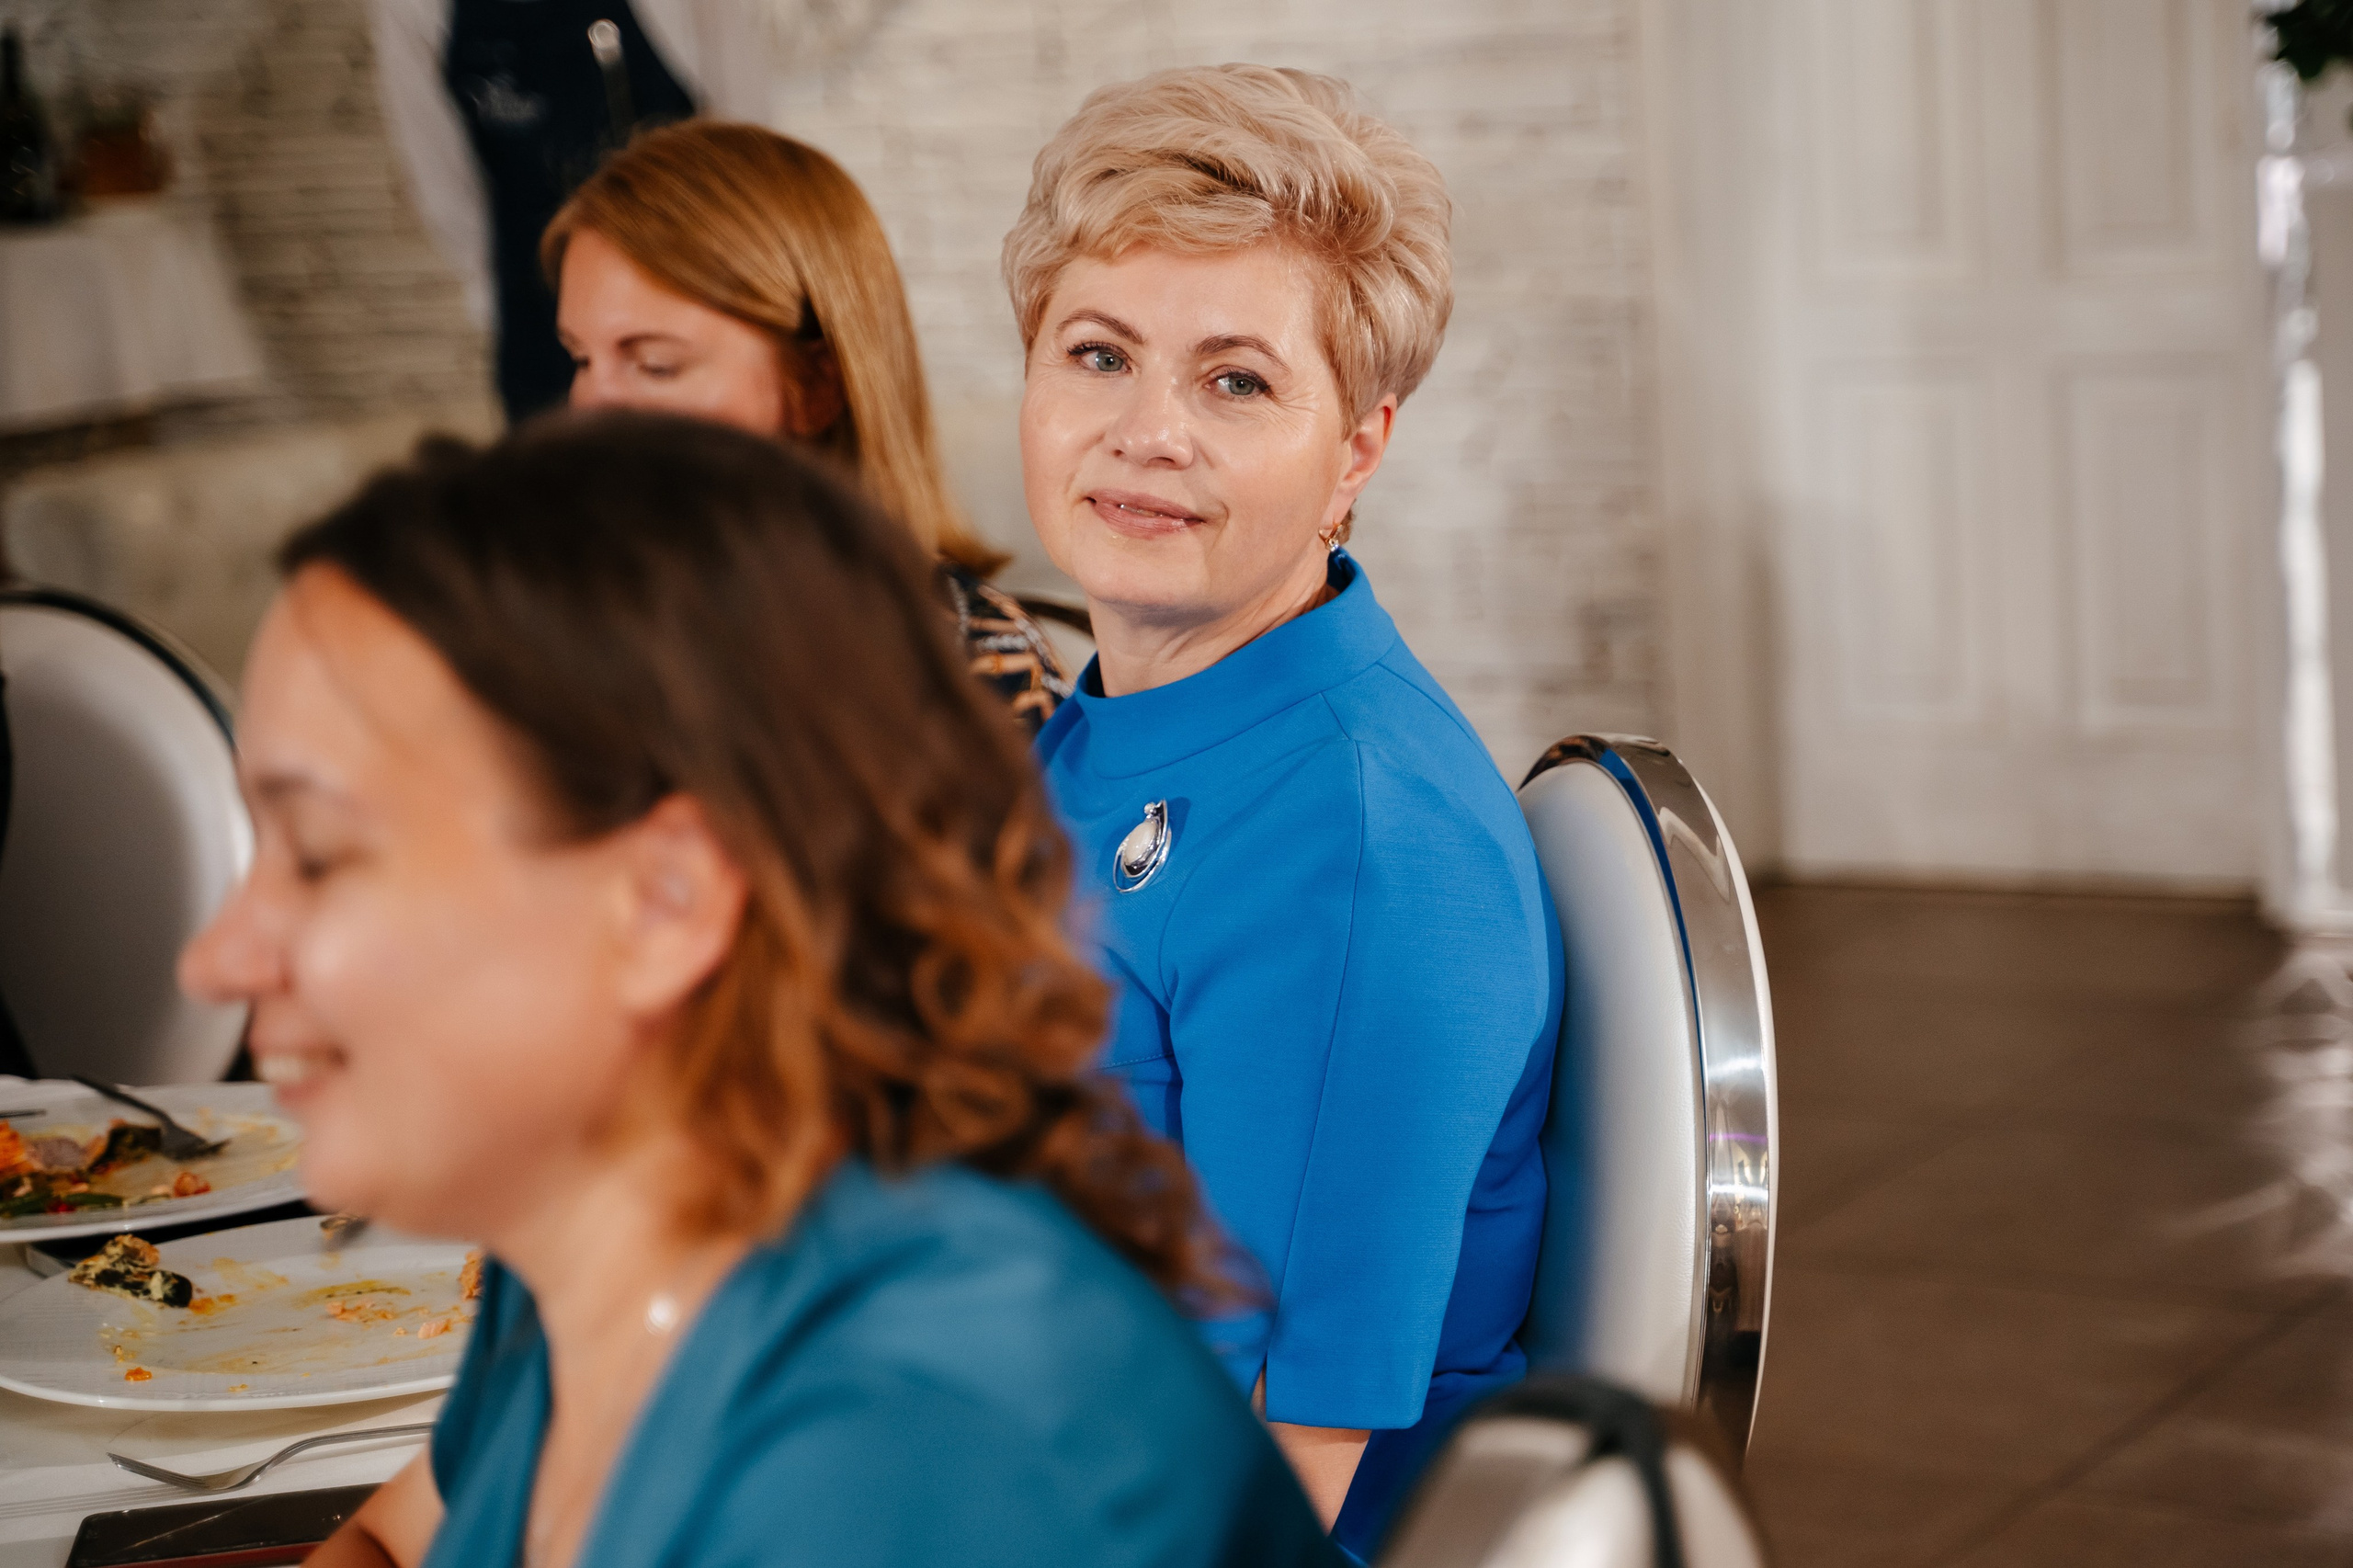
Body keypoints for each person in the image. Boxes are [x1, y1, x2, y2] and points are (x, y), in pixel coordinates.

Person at [177, 412, 1336, 1568]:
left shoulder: (909, 1450)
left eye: (322, 855)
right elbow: (393, 1538)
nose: (216, 961)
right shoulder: (591, 1229)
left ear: (667, 902)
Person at [1006, 64, 1566, 1562]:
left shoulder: (1359, 849)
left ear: (1359, 449)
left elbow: (1260, 1495)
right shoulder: (1106, 729)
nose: (1145, 430)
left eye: (1235, 380)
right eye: (1098, 353)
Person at [545, 119, 1074, 733]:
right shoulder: (543, 625)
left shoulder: (972, 671)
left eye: (657, 365)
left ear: (817, 386)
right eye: (581, 358)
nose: (591, 407)